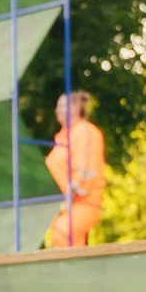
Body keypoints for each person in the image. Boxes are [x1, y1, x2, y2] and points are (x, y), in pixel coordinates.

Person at [45, 91, 106, 249]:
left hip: (82, 201)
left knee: (62, 233)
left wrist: (69, 197)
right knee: (68, 240)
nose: (57, 110)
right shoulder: (64, 136)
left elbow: (84, 168)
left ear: (76, 108)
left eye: (62, 106)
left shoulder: (84, 131)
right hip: (66, 203)